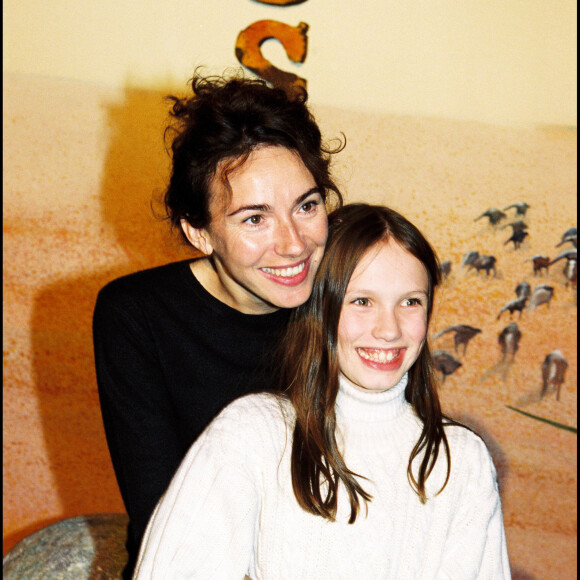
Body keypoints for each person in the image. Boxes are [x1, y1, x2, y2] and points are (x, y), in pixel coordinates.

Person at [133, 203, 511, 579]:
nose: (390, 329)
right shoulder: (254, 433)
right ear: (320, 307)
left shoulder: (463, 461)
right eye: (362, 301)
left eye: (410, 302)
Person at [92, 70, 343, 579]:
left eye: (307, 205)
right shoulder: (136, 316)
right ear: (199, 232)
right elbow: (165, 516)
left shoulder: (353, 302)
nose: (293, 243)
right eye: (254, 218)